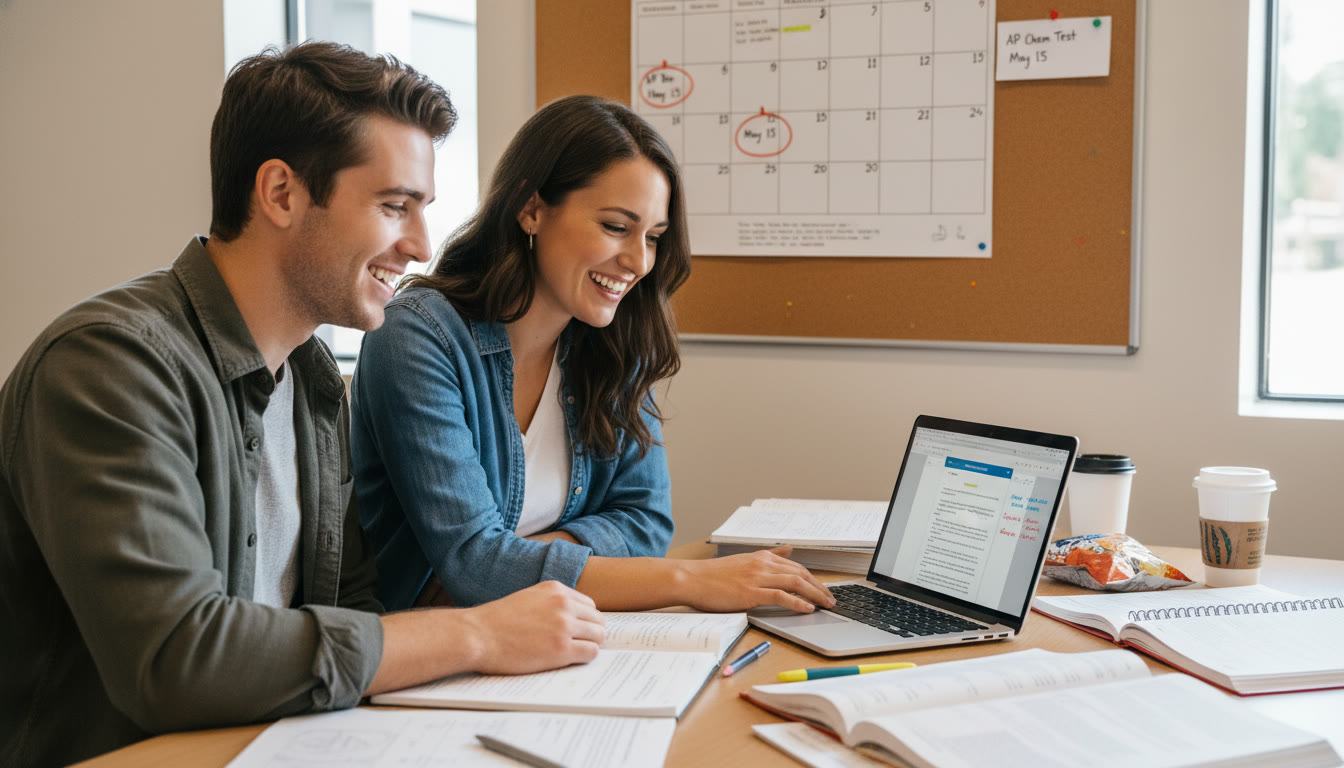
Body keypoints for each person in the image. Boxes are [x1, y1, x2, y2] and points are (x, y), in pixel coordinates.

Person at [0, 43, 604, 768]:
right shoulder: (108, 365)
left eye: (422, 211)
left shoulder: (314, 380)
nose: (418, 245)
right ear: (281, 193)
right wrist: (477, 634)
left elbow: (354, 608)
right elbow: (175, 659)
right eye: (393, 206)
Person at [351, 95, 835, 614]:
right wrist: (684, 579)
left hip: (558, 638)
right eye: (615, 227)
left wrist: (514, 565)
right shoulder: (418, 338)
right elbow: (476, 567)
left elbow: (646, 522)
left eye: (653, 237)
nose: (638, 261)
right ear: (531, 209)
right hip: (428, 658)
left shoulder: (610, 342)